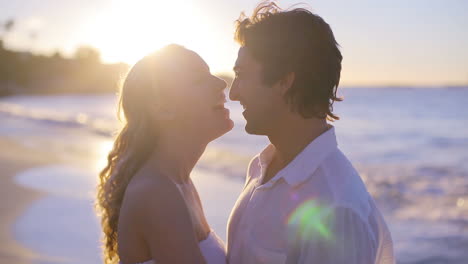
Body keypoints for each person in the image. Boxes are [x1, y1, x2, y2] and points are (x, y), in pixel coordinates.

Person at [227, 2, 395, 263]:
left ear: (284, 81)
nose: (233, 93)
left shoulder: (337, 210)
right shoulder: (262, 166)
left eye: (241, 75)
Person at [96, 44, 232, 264]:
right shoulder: (157, 192)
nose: (221, 83)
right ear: (163, 109)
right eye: (199, 79)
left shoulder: (178, 183)